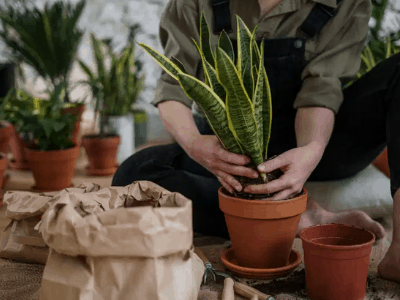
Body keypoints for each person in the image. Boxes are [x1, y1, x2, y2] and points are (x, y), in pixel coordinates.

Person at [112, 0, 400, 282]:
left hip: (323, 142)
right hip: (235, 151)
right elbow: (174, 87)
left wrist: (311, 150)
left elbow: (320, 90)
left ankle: (399, 251)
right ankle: (302, 217)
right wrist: (195, 144)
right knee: (134, 175)